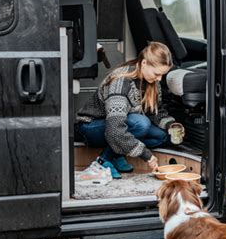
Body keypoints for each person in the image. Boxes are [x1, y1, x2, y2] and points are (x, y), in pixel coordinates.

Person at [76, 41, 181, 178]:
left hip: (121, 125)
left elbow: (155, 112)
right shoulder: (121, 82)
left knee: (162, 136)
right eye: (157, 73)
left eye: (162, 75)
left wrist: (170, 125)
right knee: (141, 124)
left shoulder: (152, 82)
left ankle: (117, 154)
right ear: (144, 63)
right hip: (91, 126)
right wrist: (146, 154)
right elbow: (114, 130)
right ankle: (102, 162)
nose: (159, 79)